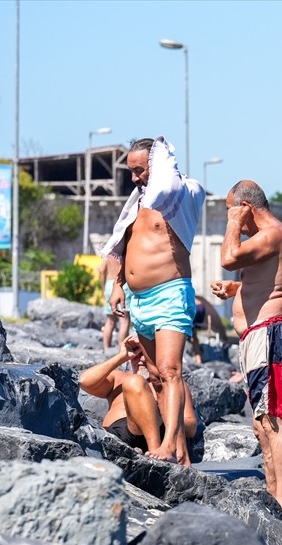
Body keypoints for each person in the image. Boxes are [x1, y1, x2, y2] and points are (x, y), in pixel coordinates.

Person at [101, 136, 204, 463]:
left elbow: (170, 178)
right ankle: (181, 452)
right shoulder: (137, 204)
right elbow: (125, 248)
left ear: (157, 165)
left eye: (140, 170)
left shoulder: (179, 196)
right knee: (156, 376)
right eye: (130, 171)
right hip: (139, 300)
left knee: (171, 370)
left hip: (170, 293)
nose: (134, 178)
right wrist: (119, 285)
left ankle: (169, 445)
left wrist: (161, 157)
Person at [220, 179, 282, 512]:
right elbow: (269, 283)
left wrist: (232, 224)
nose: (231, 218)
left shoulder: (273, 234)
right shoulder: (269, 239)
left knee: (273, 419)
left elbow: (229, 258)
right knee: (260, 425)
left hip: (272, 337)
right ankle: (273, 493)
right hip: (260, 338)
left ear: (245, 208)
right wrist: (235, 290)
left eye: (231, 210)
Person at [79, 334, 197, 463]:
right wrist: (121, 356)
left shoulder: (171, 386)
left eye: (147, 354)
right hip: (117, 435)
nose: (141, 359)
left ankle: (155, 451)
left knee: (134, 382)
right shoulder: (119, 378)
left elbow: (191, 427)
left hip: (159, 434)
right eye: (137, 354)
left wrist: (163, 415)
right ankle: (155, 454)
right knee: (134, 381)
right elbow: (84, 382)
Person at [98, 256, 130, 351]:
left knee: (110, 320)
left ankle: (106, 348)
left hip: (109, 284)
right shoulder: (124, 251)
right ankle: (122, 349)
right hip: (122, 283)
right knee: (124, 320)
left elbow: (102, 270)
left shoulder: (110, 253)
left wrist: (103, 287)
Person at [190, 294, 230, 363]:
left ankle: (198, 359)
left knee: (190, 336)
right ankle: (199, 359)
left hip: (195, 309)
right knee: (193, 337)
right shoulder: (194, 298)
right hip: (199, 308)